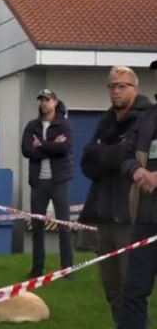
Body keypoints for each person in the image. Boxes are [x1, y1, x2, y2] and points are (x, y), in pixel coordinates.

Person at [77, 66, 151, 327]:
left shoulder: (145, 118)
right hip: (103, 214)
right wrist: (112, 153)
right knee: (112, 290)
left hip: (130, 214)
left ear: (135, 88)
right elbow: (87, 163)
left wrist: (104, 153)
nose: (116, 91)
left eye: (122, 86)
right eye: (112, 86)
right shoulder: (107, 121)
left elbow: (126, 156)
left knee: (130, 290)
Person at [117, 60, 157, 329]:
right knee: (132, 293)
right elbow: (125, 153)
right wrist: (135, 172)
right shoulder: (148, 116)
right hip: (146, 217)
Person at [21, 89, 74, 279]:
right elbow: (26, 150)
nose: (44, 103)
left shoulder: (64, 125)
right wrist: (52, 146)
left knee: (64, 226)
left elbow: (66, 149)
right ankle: (37, 269)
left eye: (47, 100)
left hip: (59, 181)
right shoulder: (32, 126)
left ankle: (67, 270)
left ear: (55, 102)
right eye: (42, 100)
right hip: (38, 183)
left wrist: (42, 145)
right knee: (37, 226)